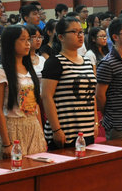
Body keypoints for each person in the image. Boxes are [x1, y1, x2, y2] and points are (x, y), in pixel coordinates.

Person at [41, 17, 97, 149]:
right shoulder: (54, 62)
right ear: (61, 37)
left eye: (81, 32)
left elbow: (92, 95)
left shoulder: (87, 61)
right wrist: (56, 129)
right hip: (65, 131)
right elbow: (46, 97)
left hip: (87, 129)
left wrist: (95, 122)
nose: (80, 35)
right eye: (74, 32)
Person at [0, 25, 47, 156]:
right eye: (22, 40)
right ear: (10, 43)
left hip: (33, 125)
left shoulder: (29, 69)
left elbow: (36, 105)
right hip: (13, 128)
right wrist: (6, 143)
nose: (28, 44)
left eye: (28, 40)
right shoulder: (1, 72)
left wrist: (41, 133)